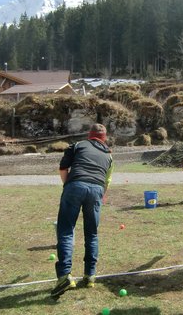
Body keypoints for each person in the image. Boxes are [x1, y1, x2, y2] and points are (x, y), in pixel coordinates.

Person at [51, 123, 114, 300]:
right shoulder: (109, 155)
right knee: (92, 234)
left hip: (75, 185)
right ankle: (90, 276)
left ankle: (64, 276)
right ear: (104, 138)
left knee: (66, 231)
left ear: (89, 135)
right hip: (97, 191)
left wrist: (68, 186)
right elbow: (107, 180)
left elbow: (63, 168)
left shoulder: (78, 145)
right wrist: (101, 196)